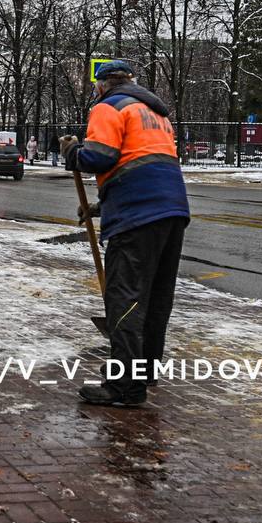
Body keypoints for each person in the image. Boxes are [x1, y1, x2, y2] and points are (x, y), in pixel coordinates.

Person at [60, 59, 189, 407]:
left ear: (102, 85)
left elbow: (100, 157)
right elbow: (143, 164)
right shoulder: (156, 113)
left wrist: (72, 151)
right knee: (156, 298)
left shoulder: (108, 106)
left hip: (138, 217)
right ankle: (144, 372)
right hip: (171, 210)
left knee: (126, 300)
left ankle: (124, 388)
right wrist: (103, 206)